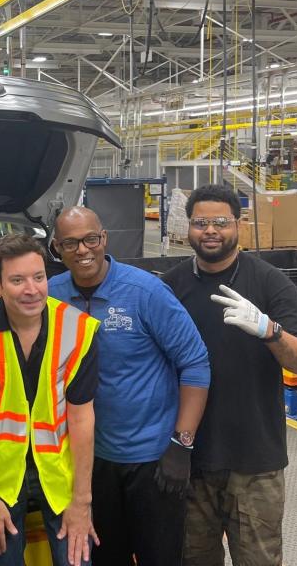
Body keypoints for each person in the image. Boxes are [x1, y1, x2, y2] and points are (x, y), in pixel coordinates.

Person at [161, 184, 297, 566]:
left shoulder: (269, 283)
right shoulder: (170, 286)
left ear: (238, 225)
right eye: (201, 222)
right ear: (189, 227)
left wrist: (271, 330)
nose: (210, 231)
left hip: (255, 461)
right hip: (191, 459)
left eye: (220, 222)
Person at [48, 206, 210, 566]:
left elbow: (195, 363)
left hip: (152, 461)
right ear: (57, 248)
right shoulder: (50, 297)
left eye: (91, 239)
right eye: (71, 243)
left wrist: (181, 445)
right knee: (106, 558)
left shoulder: (146, 292)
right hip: (92, 463)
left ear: (103, 239)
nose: (83, 250)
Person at [0, 233, 100, 566]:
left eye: (38, 277)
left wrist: (82, 502)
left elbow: (81, 418)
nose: (32, 289)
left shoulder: (78, 329)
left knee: (75, 559)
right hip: (1, 475)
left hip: (60, 474)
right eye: (17, 280)